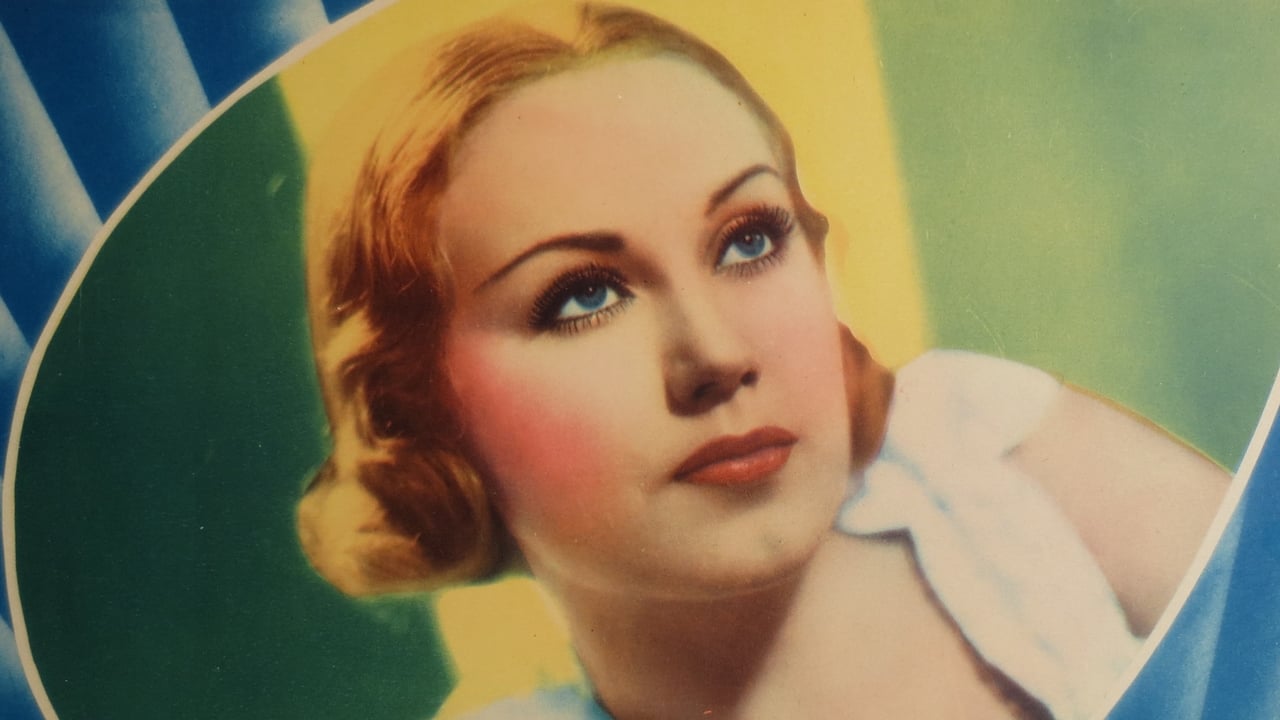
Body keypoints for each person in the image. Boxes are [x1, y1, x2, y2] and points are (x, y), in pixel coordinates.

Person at [295, 4, 1228, 718]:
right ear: (416, 408)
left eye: (748, 240)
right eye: (583, 296)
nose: (717, 354)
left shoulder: (990, 455)